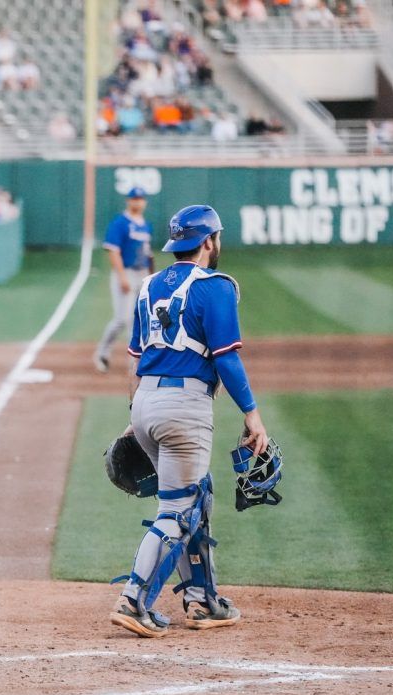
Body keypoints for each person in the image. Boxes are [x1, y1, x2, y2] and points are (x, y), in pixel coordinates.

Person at [109, 205, 268, 638]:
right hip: (184, 408)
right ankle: (133, 600)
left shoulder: (146, 287)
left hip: (145, 403)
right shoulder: (215, 286)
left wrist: (134, 419)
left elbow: (136, 362)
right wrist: (252, 414)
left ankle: (202, 600)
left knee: (196, 499)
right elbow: (227, 358)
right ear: (209, 241)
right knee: (179, 511)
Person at [94, 187, 153, 373]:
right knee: (122, 319)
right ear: (128, 201)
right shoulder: (120, 223)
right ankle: (101, 353)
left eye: (141, 198)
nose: (138, 202)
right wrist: (121, 277)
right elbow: (113, 251)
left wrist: (152, 276)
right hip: (125, 272)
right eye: (135, 198)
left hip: (142, 273)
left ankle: (134, 362)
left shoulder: (145, 224)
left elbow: (147, 253)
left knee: (139, 320)